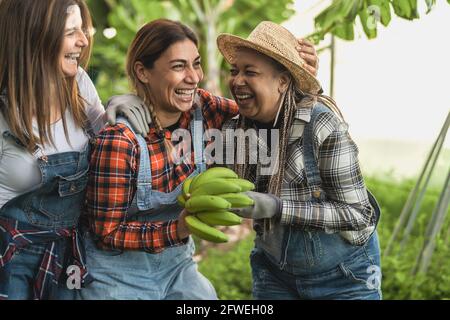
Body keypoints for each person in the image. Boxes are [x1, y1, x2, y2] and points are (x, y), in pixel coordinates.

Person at [78, 19, 321, 300]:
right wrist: (178, 228)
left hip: (178, 265)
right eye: (179, 66)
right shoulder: (120, 140)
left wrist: (300, 85)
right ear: (143, 72)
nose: (194, 77)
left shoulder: (204, 110)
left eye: (196, 63)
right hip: (116, 273)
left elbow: (267, 114)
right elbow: (106, 232)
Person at [217, 21, 382, 300]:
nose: (237, 80)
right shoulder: (235, 131)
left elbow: (357, 213)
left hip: (344, 276)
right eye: (235, 71)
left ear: (282, 82)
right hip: (275, 274)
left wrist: (276, 207)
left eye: (250, 72)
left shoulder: (320, 124)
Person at [0, 0, 149, 300]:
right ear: (35, 36)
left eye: (82, 30)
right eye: (71, 32)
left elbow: (109, 147)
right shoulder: (4, 110)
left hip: (69, 255)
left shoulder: (79, 84)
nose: (83, 41)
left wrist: (118, 109)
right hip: (11, 258)